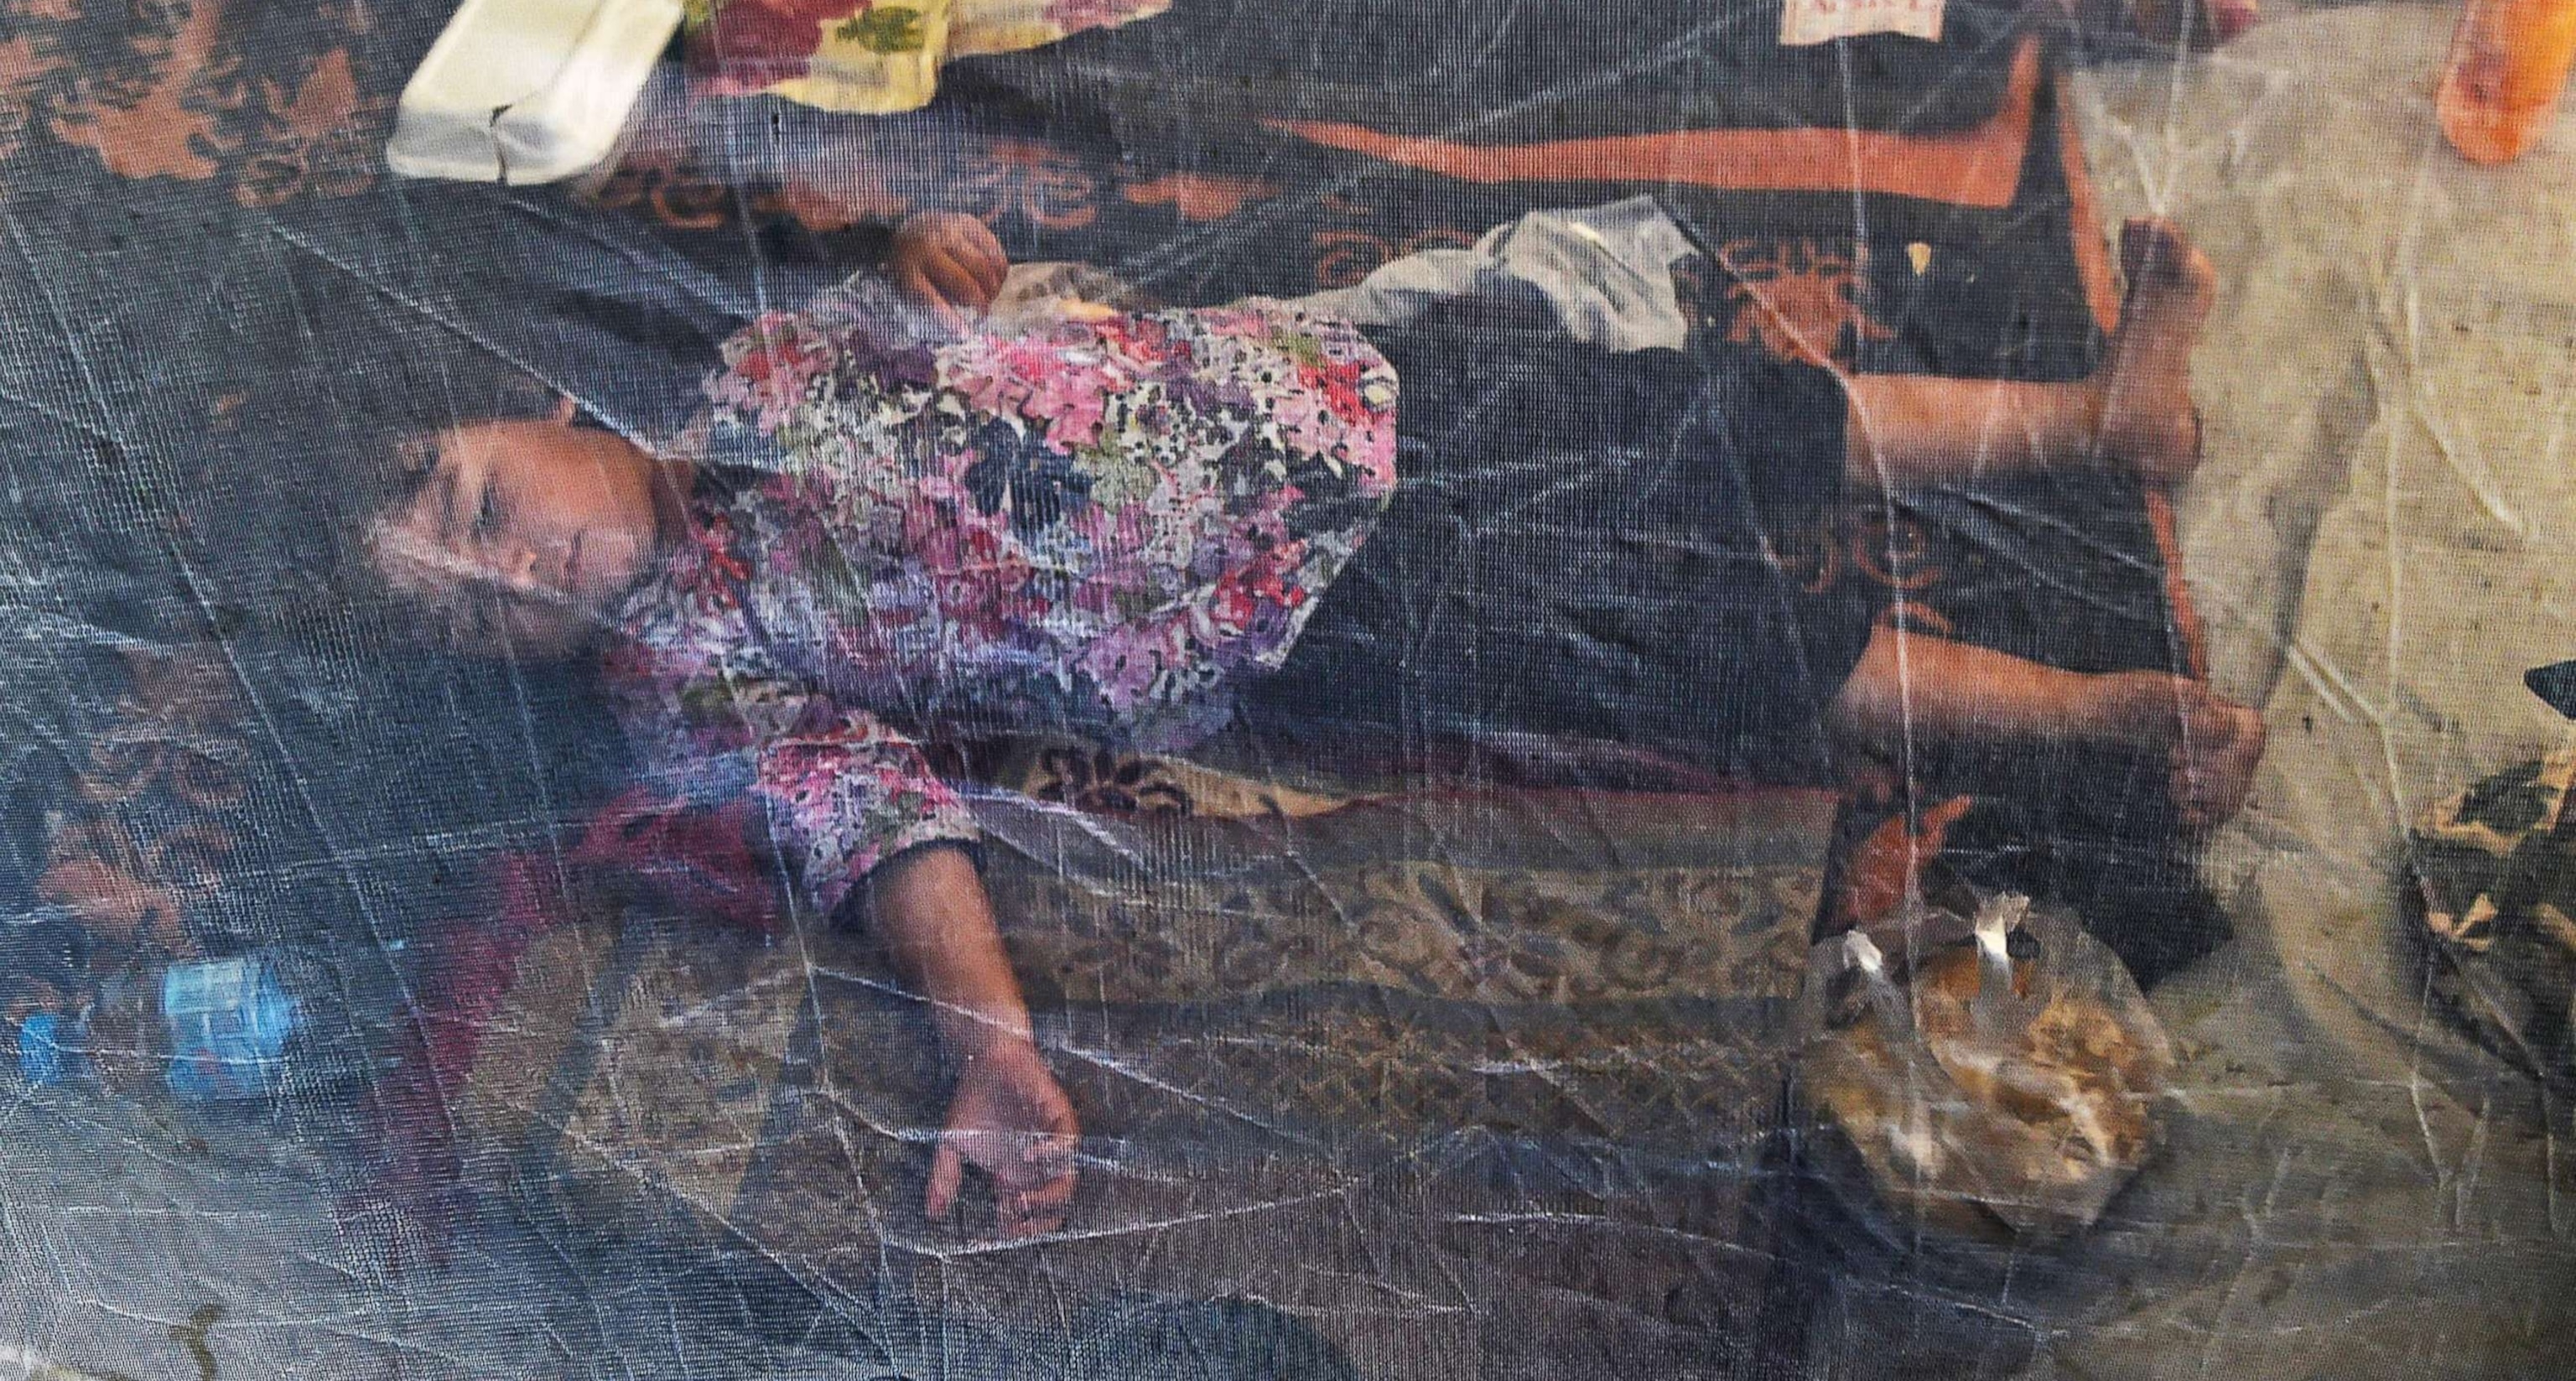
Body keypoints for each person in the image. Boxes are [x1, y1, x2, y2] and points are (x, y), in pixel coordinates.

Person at [346, 205, 2262, 1240]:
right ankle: (2091, 716)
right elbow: (875, 823)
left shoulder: (746, 363)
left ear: (537, 409)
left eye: (451, 489)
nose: (485, 557)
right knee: (1708, 635)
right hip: (1299, 612)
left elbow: (933, 290)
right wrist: (991, 1042)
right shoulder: (696, 674)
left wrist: (935, 259)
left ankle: (2099, 424)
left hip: (1321, 401)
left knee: (1735, 421)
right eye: (456, 602)